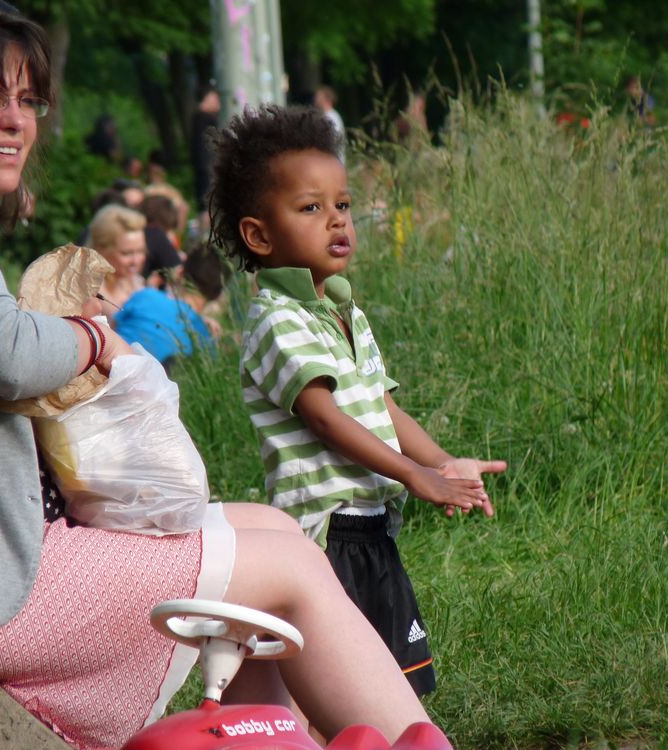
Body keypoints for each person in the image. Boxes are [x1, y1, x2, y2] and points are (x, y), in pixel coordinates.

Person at [0, 4, 442, 749]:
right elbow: (0, 352)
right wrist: (92, 338)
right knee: (290, 564)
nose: (15, 121)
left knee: (267, 532)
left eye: (28, 100)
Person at [208, 104, 507, 696]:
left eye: (341, 205)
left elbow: (386, 411)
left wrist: (444, 465)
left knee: (393, 685)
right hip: (326, 536)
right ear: (258, 235)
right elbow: (324, 417)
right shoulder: (277, 319)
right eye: (311, 208)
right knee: (333, 691)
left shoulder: (345, 312)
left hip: (371, 529)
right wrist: (414, 476)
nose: (337, 221)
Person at [86, 203, 147, 309]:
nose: (136, 261)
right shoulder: (90, 292)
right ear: (101, 249)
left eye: (141, 251)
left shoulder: (136, 281)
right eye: (126, 253)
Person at [189, 81, 220, 220]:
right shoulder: (205, 118)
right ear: (207, 98)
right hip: (207, 168)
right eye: (215, 97)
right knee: (208, 206)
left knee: (206, 205)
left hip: (204, 168)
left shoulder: (198, 118)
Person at [314, 84, 344, 160]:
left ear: (326, 98)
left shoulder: (332, 117)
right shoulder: (324, 115)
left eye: (318, 96)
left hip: (332, 160)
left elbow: (334, 139)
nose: (316, 99)